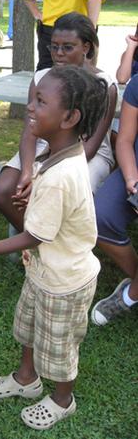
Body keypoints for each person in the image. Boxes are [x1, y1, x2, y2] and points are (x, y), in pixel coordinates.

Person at [0, 65, 109, 430]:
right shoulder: (59, 152)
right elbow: (43, 231)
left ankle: (63, 400)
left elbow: (33, 235)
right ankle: (27, 378)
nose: (30, 107)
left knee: (59, 347)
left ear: (69, 117)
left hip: (65, 281)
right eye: (33, 98)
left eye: (40, 101)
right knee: (29, 326)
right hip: (45, 268)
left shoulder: (63, 176)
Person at [0, 12, 117, 233]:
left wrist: (41, 176)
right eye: (54, 46)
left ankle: (58, 245)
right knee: (3, 190)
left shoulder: (103, 85)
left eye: (68, 47)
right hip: (43, 143)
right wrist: (26, 172)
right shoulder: (42, 78)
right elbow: (30, 132)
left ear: (86, 47)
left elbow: (92, 145)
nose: (58, 54)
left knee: (64, 192)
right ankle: (36, 243)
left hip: (86, 153)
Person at [91, 74, 138, 326]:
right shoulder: (137, 84)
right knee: (100, 216)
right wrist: (132, 180)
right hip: (135, 169)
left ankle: (129, 296)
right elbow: (126, 140)